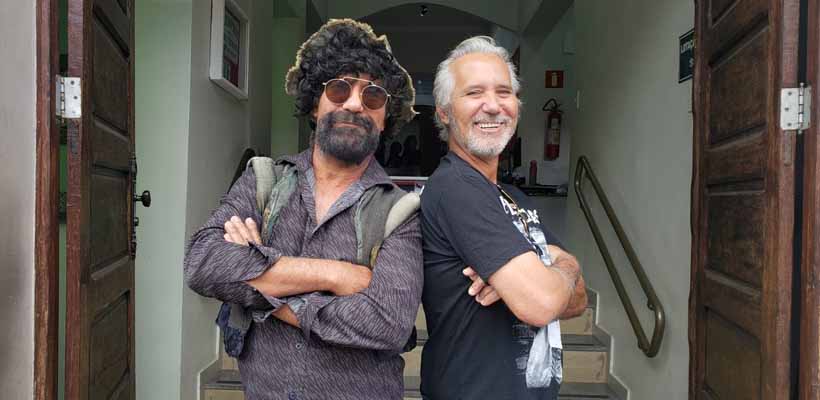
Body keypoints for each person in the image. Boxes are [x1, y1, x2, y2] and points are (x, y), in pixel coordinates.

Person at [184, 19, 421, 400]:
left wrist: (262, 290)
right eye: (339, 88)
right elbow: (204, 263)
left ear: (384, 118)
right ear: (314, 103)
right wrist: (336, 275)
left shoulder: (400, 211)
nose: (355, 104)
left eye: (373, 96)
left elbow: (387, 323)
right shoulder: (263, 180)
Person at [419, 36, 588, 400]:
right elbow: (542, 304)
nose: (493, 106)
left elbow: (579, 300)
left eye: (504, 92)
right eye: (474, 93)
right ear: (444, 112)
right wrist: (558, 265)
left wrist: (553, 270)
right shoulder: (456, 187)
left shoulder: (514, 197)